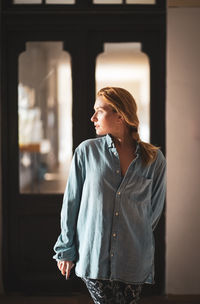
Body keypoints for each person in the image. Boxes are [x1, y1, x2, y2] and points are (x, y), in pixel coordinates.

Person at [53, 87, 166, 304]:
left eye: (99, 111)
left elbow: (153, 210)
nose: (92, 117)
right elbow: (71, 203)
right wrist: (66, 249)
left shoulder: (154, 159)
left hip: (134, 260)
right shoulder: (86, 152)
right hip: (94, 257)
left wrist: (132, 237)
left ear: (120, 115)